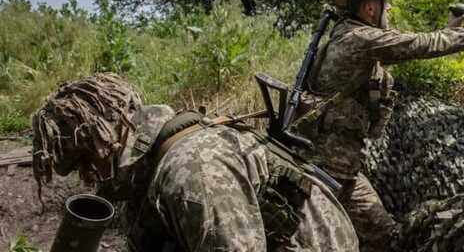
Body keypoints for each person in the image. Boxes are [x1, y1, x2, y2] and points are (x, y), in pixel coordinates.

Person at [292, 0, 464, 251]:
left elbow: (413, 44)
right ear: (371, 7)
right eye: (387, 4)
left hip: (339, 167)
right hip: (327, 171)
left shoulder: (347, 34)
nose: (390, 10)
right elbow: (419, 45)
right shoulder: (361, 39)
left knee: (384, 237)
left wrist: (453, 28)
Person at [32, 73, 359, 252]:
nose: (88, 177)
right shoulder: (148, 174)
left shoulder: (190, 172)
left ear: (111, 135)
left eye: (85, 161)